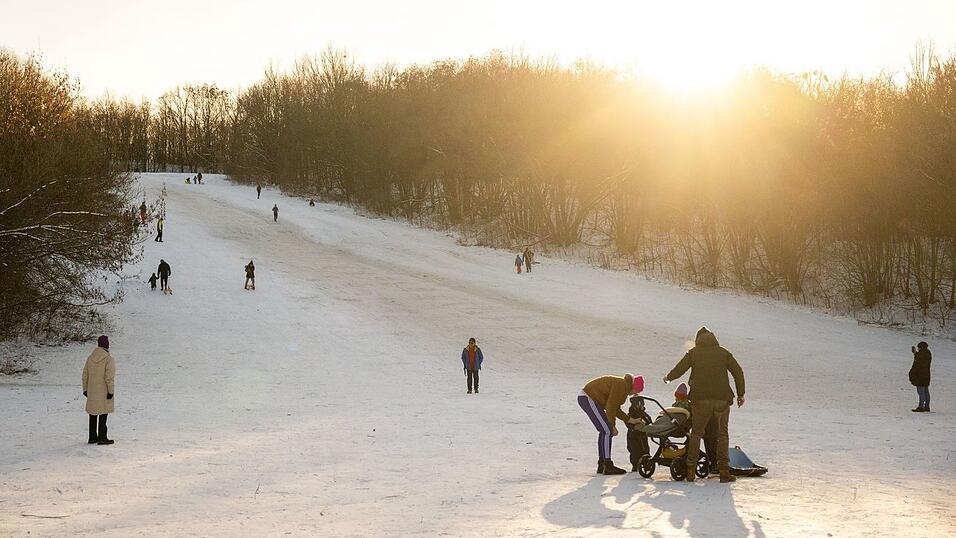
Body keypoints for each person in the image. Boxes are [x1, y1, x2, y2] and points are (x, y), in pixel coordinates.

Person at [664, 326, 745, 483]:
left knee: (696, 434)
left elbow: (680, 368)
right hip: (722, 399)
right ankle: (723, 472)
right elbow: (738, 372)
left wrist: (668, 377)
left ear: (698, 340)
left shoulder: (694, 353)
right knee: (722, 435)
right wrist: (740, 394)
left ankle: (690, 471)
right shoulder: (723, 352)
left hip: (700, 399)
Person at [579, 374, 645, 475]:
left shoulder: (624, 387)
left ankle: (602, 465)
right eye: (638, 391)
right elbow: (610, 407)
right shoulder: (621, 385)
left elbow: (616, 409)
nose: (635, 394)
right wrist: (612, 425)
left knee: (604, 431)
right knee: (607, 431)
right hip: (588, 397)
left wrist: (631, 420)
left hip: (589, 398)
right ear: (634, 387)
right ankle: (607, 465)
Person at [82, 335, 115, 445]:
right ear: (106, 344)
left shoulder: (90, 358)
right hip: (104, 391)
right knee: (103, 412)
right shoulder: (108, 359)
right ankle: (102, 437)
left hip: (92, 391)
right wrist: (110, 391)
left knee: (92, 413)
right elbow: (109, 377)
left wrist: (85, 389)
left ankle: (92, 437)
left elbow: (85, 374)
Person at [626, 386, 653, 471]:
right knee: (634, 451)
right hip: (633, 436)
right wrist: (633, 427)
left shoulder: (644, 414)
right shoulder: (631, 414)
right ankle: (635, 465)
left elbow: (649, 420)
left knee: (645, 449)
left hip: (643, 435)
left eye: (641, 404)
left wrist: (648, 424)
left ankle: (646, 463)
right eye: (638, 404)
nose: (639, 406)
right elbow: (627, 422)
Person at [909, 341, 932, 412]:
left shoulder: (922, 354)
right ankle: (927, 406)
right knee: (926, 391)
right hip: (926, 375)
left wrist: (915, 353)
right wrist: (916, 353)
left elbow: (918, 362)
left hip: (920, 376)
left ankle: (921, 406)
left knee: (921, 391)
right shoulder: (928, 353)